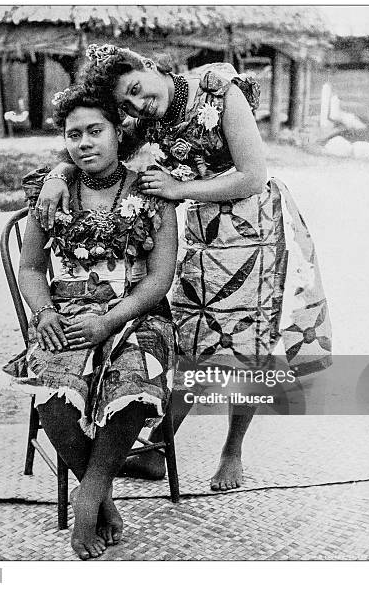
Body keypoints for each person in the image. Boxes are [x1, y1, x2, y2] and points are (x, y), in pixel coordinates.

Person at [32, 44, 332, 492]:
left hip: (256, 225)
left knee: (247, 341)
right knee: (192, 338)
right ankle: (159, 446)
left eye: (136, 89)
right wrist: (57, 173)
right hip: (204, 231)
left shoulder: (218, 89)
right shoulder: (146, 118)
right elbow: (94, 142)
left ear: (149, 66)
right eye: (126, 103)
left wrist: (177, 185)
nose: (136, 105)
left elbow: (252, 174)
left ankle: (233, 449)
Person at [4, 83, 177, 559]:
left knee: (137, 376)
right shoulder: (51, 192)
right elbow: (33, 268)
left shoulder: (152, 191)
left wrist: (110, 322)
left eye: (95, 130)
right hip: (68, 313)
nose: (84, 143)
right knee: (52, 387)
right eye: (73, 133)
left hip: (136, 311)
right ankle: (102, 498)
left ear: (120, 131)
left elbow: (160, 278)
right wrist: (44, 312)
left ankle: (87, 500)